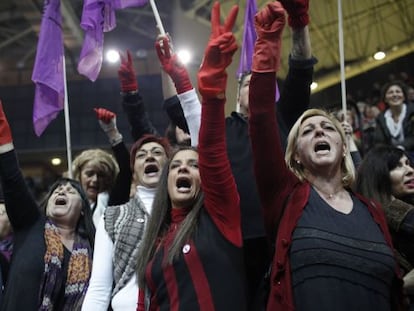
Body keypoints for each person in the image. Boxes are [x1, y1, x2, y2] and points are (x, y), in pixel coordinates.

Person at [247, 2, 403, 310]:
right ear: (295, 157)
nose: (319, 132)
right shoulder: (285, 197)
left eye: (327, 128)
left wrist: (301, 22)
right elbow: (262, 117)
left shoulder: (372, 210)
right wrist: (268, 44)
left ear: (344, 145)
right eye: (307, 131)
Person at [136, 3, 248, 310]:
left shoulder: (220, 217)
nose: (184, 168)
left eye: (193, 164)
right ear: (166, 178)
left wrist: (207, 88)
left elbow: (210, 148)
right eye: (176, 165)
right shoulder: (154, 241)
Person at [0, 101, 95, 310]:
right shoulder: (31, 224)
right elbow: (11, 177)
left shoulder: (94, 249)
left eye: (71, 191)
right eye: (57, 190)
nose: (62, 191)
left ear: (83, 209)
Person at [82, 109, 171, 311]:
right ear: (133, 172)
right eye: (141, 155)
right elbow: (99, 289)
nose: (149, 158)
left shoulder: (184, 211)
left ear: (170, 165)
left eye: (157, 153)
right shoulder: (114, 216)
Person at [356, 144, 414, 308]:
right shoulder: (369, 225)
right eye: (397, 166)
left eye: (408, 164)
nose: (410, 170)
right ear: (378, 176)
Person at [72, 148, 119, 226]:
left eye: (101, 175)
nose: (95, 180)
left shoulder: (118, 206)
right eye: (90, 174)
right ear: (79, 175)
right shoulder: (70, 206)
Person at [374, 80, 414, 158]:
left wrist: (400, 148)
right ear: (385, 99)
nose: (395, 94)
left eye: (398, 91)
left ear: (404, 96)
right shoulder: (381, 118)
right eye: (390, 92)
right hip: (392, 157)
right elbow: (379, 142)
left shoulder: (412, 111)